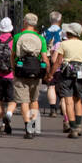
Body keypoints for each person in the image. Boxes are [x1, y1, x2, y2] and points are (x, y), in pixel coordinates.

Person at [52, 21, 82, 138]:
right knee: (78, 100)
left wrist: (51, 73)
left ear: (69, 32)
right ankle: (79, 126)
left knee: (68, 101)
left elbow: (58, 62)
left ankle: (73, 128)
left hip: (66, 75)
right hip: (79, 75)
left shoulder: (64, 44)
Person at [12, 12, 49, 140]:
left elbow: (13, 56)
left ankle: (27, 127)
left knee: (24, 101)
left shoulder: (17, 36)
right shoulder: (41, 38)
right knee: (34, 100)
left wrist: (13, 68)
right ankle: (33, 125)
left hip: (21, 71)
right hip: (36, 72)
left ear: (25, 22)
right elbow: (44, 58)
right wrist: (47, 73)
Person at [42, 12, 64, 118]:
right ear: (60, 20)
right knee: (62, 85)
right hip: (60, 61)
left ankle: (53, 109)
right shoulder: (63, 33)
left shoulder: (45, 33)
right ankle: (63, 107)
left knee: (51, 86)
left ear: (50, 20)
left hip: (47, 60)